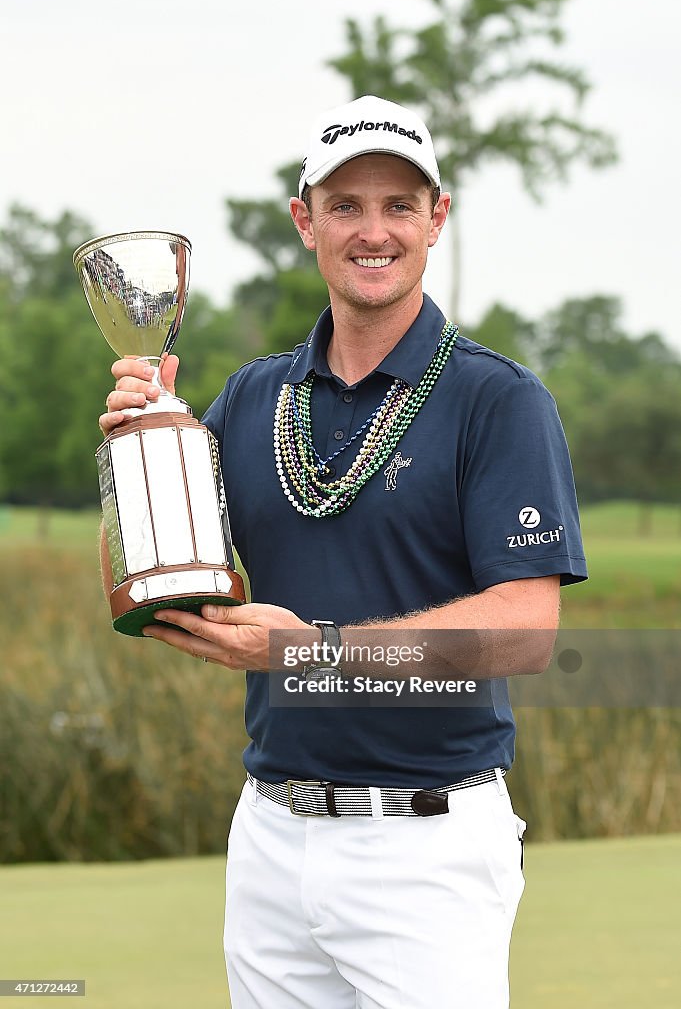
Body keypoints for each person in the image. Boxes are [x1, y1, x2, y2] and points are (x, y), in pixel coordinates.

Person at [100, 95, 588, 1009]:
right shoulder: (249, 400)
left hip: (426, 844)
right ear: (305, 222)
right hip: (272, 835)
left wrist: (308, 653)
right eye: (345, 206)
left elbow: (526, 630)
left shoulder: (498, 400)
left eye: (399, 205)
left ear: (435, 219)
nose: (373, 231)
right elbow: (150, 597)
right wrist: (139, 450)